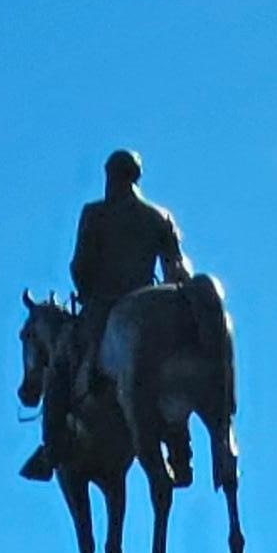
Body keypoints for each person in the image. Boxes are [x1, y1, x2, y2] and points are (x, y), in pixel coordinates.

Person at [70, 148, 190, 387]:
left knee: (65, 355)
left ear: (110, 176)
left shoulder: (95, 213)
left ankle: (61, 415)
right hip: (148, 299)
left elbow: (81, 265)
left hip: (104, 304)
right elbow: (175, 266)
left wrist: (84, 290)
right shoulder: (159, 216)